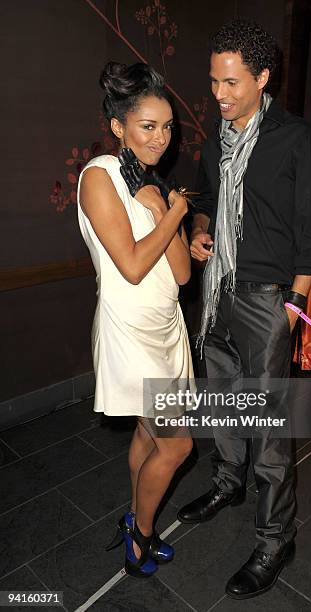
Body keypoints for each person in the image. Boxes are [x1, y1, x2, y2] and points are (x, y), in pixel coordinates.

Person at [177, 20, 311, 600]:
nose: (219, 93)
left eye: (232, 82)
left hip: (268, 300)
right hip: (217, 294)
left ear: (263, 78)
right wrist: (196, 232)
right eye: (215, 80)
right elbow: (205, 202)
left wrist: (291, 308)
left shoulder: (300, 139)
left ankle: (274, 539)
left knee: (268, 430)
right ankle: (226, 482)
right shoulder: (216, 136)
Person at [77, 62, 194, 578]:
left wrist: (165, 207)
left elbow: (184, 273)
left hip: (168, 327)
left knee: (150, 438)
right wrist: (172, 212)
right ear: (118, 125)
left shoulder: (150, 183)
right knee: (178, 442)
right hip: (131, 332)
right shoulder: (99, 177)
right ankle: (140, 536)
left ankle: (134, 519)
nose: (161, 138)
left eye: (167, 126)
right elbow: (130, 264)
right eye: (148, 126)